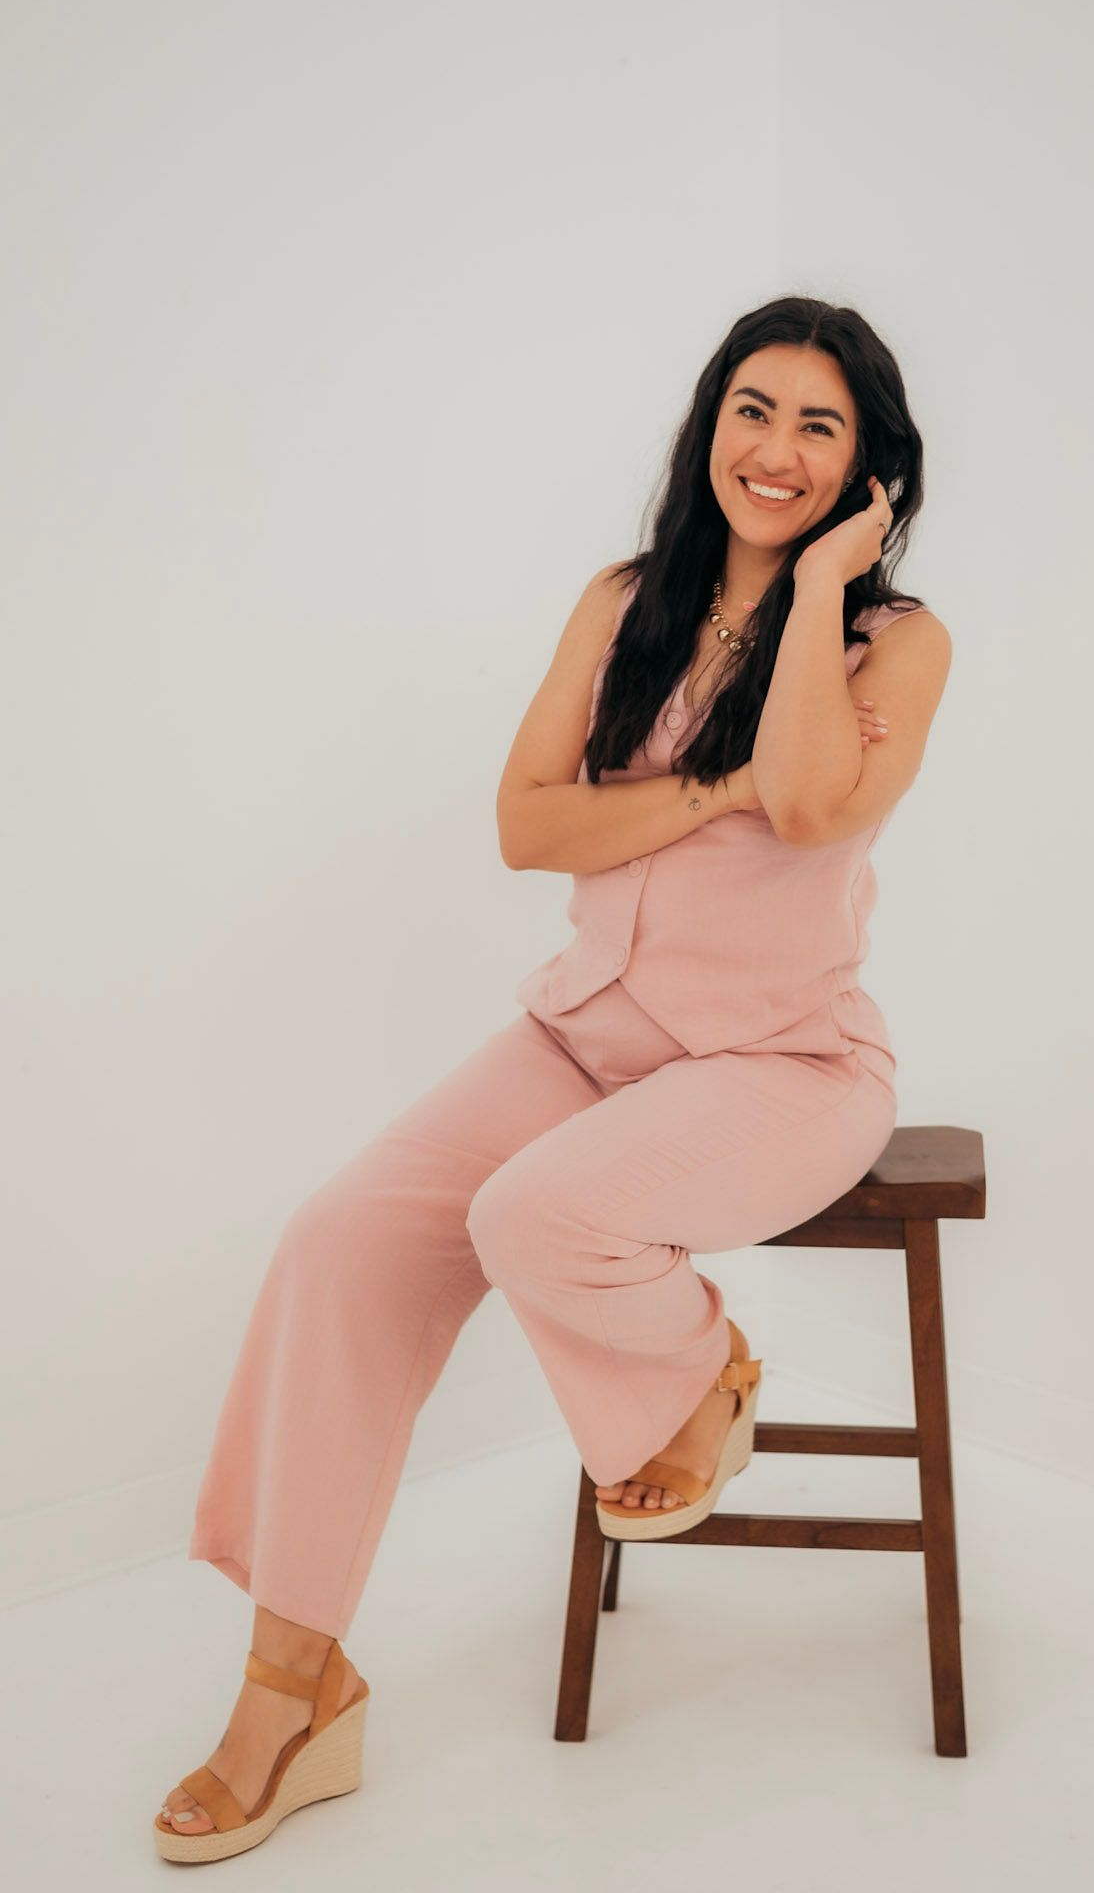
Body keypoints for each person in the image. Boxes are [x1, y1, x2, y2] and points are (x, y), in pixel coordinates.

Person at [152, 295, 953, 1858]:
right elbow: (528, 826)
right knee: (336, 1242)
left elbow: (800, 804)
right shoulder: (624, 600)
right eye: (751, 408)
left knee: (534, 1217)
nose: (773, 449)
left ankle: (698, 1372)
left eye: (817, 426)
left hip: (782, 1062)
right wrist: (697, 785)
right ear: (706, 423)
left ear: (867, 471)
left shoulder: (896, 646)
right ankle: (291, 1692)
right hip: (581, 1036)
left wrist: (812, 599)